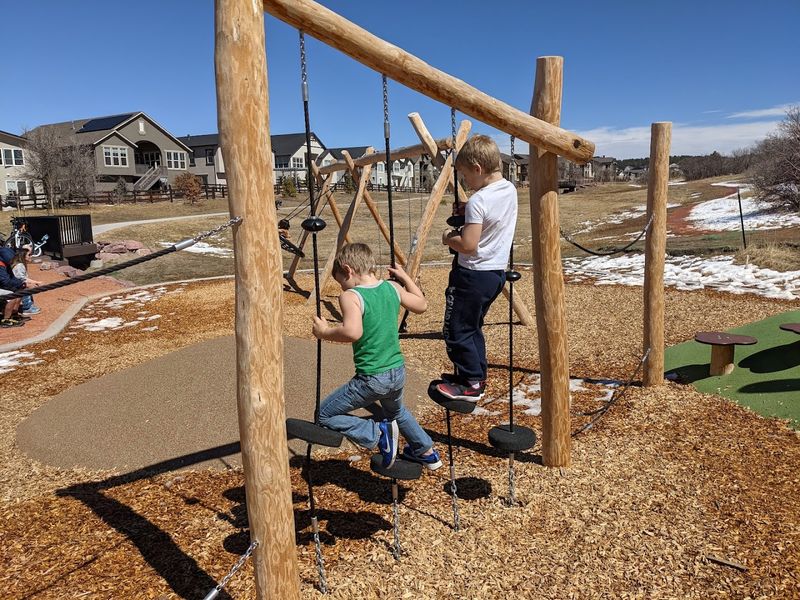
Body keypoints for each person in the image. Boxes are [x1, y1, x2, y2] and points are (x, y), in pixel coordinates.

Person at [313, 243, 442, 471]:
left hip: (372, 377)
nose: (342, 286)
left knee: (324, 414)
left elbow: (353, 332)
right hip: (398, 371)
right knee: (396, 411)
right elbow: (421, 304)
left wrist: (324, 332)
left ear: (348, 270)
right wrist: (405, 277)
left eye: (341, 280)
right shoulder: (392, 287)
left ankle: (376, 433)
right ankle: (426, 452)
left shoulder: (351, 296)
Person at [436, 134, 518, 401]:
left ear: (478, 169)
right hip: (495, 274)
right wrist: (466, 214)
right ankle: (473, 375)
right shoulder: (509, 190)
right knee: (472, 326)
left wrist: (448, 237)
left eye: (466, 176)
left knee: (456, 329)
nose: (465, 182)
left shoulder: (478, 201)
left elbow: (469, 244)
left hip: (471, 273)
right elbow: (493, 220)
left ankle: (470, 384)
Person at [0, 246, 29, 327]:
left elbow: (11, 278)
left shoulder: (6, 264)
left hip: (2, 285)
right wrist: (19, 284)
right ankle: (6, 320)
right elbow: (5, 281)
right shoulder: (1, 265)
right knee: (11, 295)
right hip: (2, 285)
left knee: (20, 290)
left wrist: (21, 284)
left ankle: (14, 315)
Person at [11, 246, 41, 315]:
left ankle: (30, 305)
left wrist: (34, 282)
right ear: (23, 256)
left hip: (16, 284)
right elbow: (21, 280)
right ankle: (27, 308)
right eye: (29, 255)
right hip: (14, 286)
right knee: (26, 286)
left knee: (29, 285)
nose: (31, 256)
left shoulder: (22, 264)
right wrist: (35, 282)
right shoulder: (19, 266)